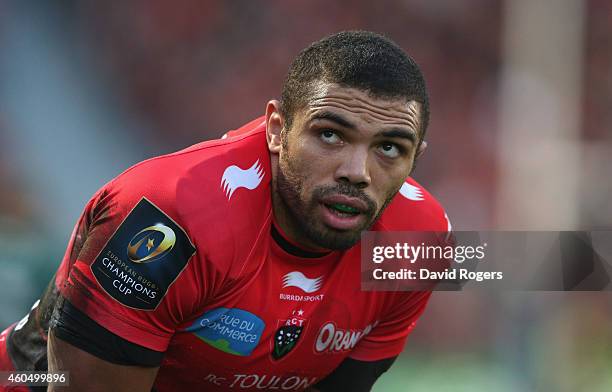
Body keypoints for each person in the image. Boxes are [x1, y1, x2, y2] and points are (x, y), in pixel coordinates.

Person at [0, 31, 450, 391]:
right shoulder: (169, 216)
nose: (357, 172)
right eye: (331, 135)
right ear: (277, 129)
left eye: (390, 147)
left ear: (416, 158)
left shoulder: (422, 244)